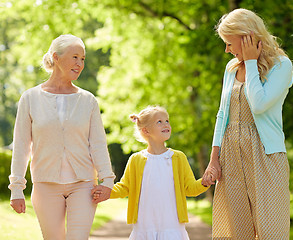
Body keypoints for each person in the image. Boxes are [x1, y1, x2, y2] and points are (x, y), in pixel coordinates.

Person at [8, 34, 115, 240]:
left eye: (83, 59)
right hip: (45, 185)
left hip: (83, 184)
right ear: (56, 57)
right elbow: (22, 146)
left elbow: (98, 144)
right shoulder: (30, 98)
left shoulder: (88, 101)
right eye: (75, 57)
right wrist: (17, 189)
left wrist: (107, 180)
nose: (80, 64)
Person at [202, 8, 293, 240]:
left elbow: (259, 104)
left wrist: (252, 63)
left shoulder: (281, 65)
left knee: (271, 231)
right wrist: (214, 160)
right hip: (231, 155)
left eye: (229, 43)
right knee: (236, 232)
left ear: (247, 37)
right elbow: (223, 114)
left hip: (266, 155)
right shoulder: (231, 68)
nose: (227, 50)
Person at [92, 106, 216, 240]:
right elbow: (124, 187)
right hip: (144, 228)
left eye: (167, 121)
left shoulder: (178, 158)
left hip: (172, 227)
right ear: (146, 130)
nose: (166, 124)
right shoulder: (136, 160)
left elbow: (190, 188)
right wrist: (107, 191)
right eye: (159, 122)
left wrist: (203, 183)